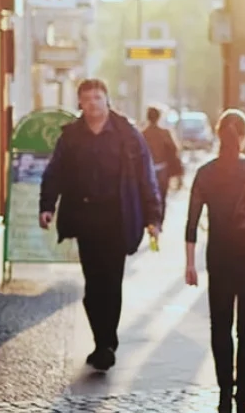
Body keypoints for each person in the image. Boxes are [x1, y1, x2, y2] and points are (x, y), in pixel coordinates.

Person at [39, 79, 162, 372]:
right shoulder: (71, 137)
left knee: (111, 282)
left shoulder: (128, 135)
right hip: (85, 218)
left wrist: (153, 218)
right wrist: (47, 206)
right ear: (80, 103)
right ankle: (101, 340)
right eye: (87, 99)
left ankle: (106, 344)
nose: (93, 103)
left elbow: (146, 177)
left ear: (107, 100)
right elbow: (54, 172)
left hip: (117, 218)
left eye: (98, 97)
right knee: (93, 286)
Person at [184, 109, 245, 413]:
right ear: (244, 135)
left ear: (217, 133)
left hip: (220, 258)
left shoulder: (206, 173)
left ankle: (225, 391)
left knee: (220, 328)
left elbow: (192, 222)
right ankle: (244, 403)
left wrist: (189, 264)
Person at [141, 106, 184, 219]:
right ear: (159, 117)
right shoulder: (165, 133)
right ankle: (159, 222)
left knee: (147, 197)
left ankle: (150, 221)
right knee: (162, 197)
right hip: (162, 170)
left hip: (146, 171)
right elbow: (174, 150)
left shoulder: (142, 134)